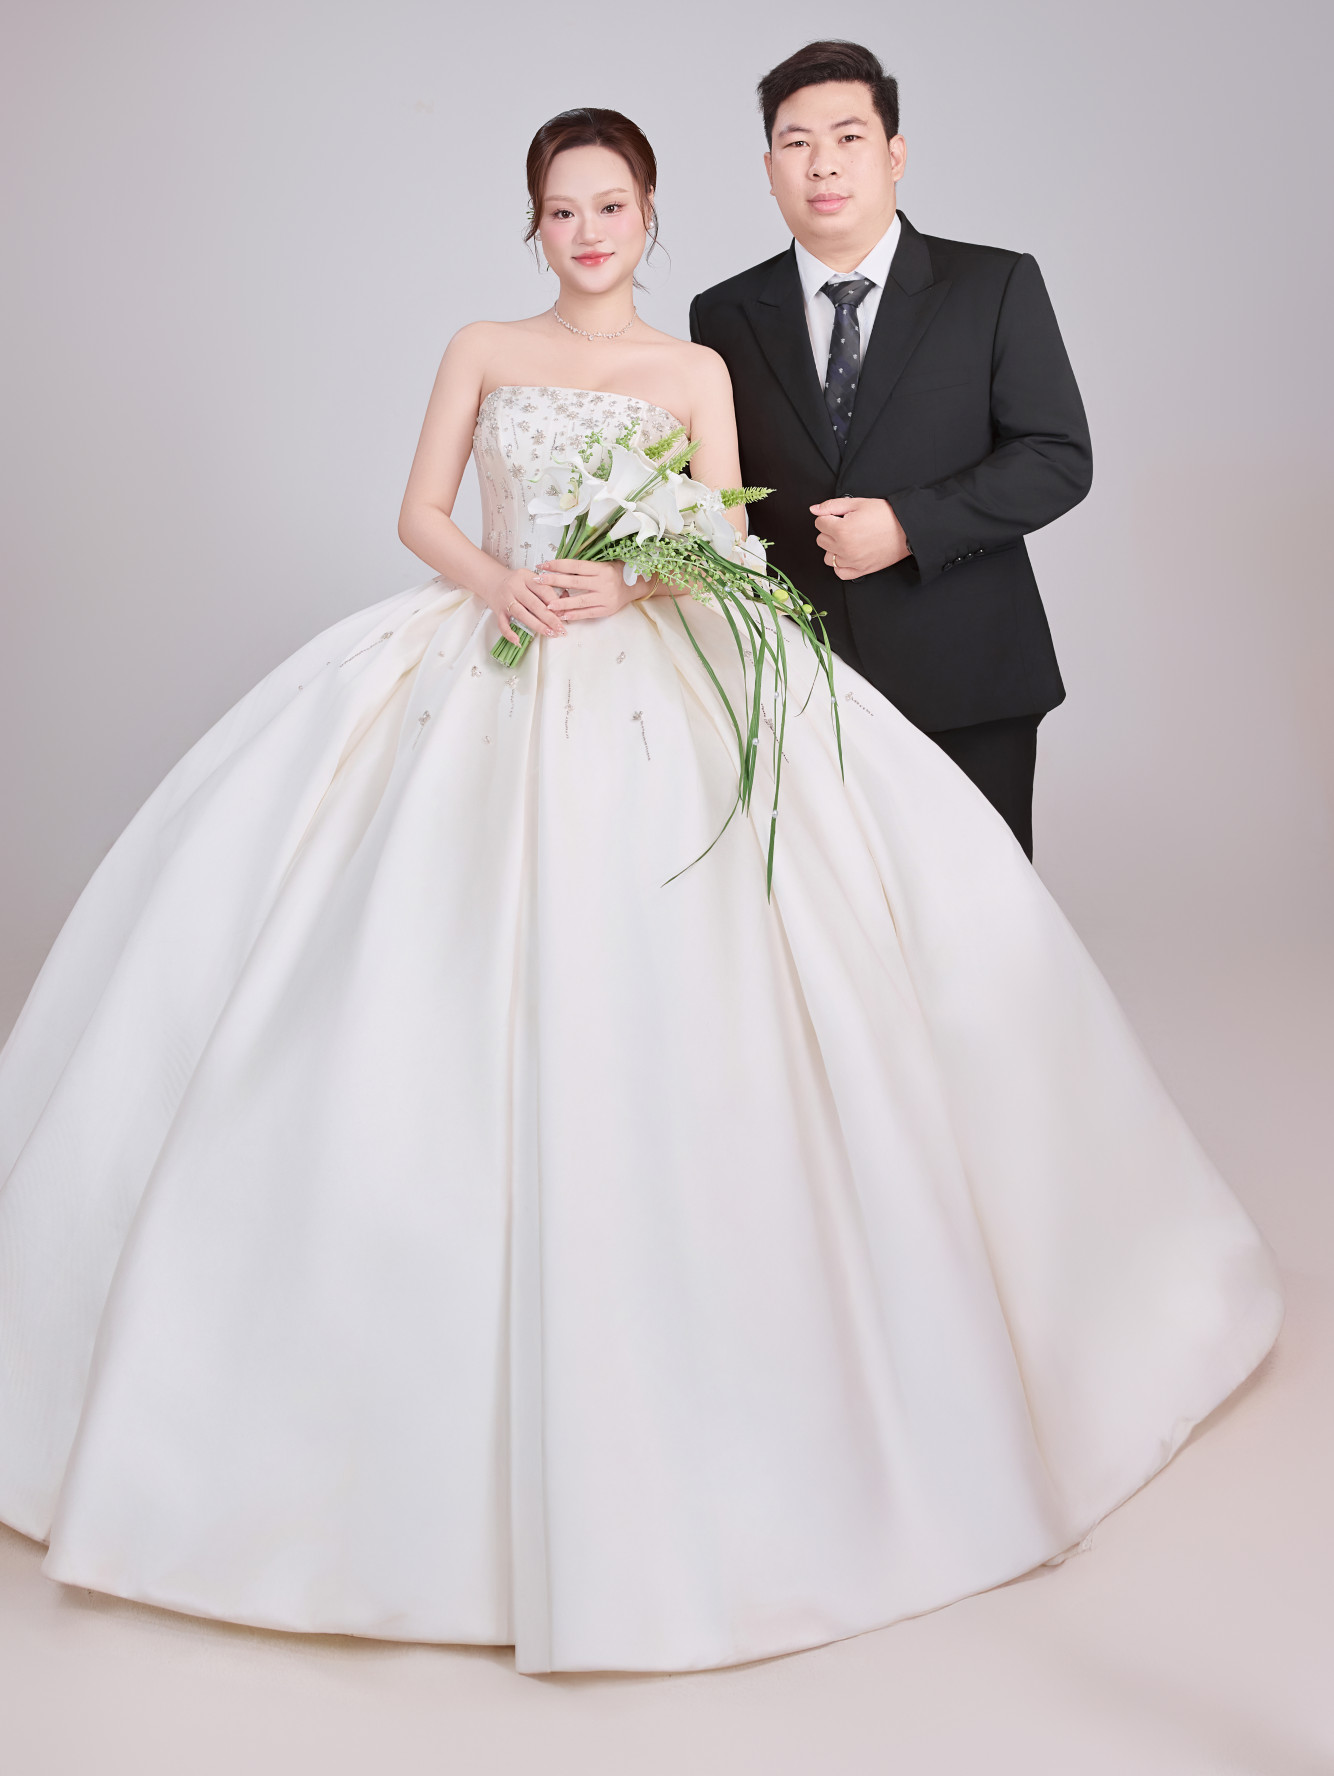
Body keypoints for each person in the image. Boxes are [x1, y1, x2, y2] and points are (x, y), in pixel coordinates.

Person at [0, 107, 1280, 1677]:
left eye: (610, 206)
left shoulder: (693, 371)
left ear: (648, 216)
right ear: (533, 224)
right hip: (488, 646)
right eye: (562, 209)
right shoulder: (481, 346)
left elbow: (722, 541)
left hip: (647, 661)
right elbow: (417, 513)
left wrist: (628, 577)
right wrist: (500, 581)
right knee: (390, 979)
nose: (588, 230)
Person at [690, 40, 1092, 857]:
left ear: (895, 154)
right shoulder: (723, 314)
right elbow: (718, 497)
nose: (823, 165)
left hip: (970, 676)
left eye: (849, 137)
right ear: (769, 168)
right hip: (801, 687)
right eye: (797, 143)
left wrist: (910, 524)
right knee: (824, 921)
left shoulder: (993, 285)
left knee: (978, 912)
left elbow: (1056, 455)